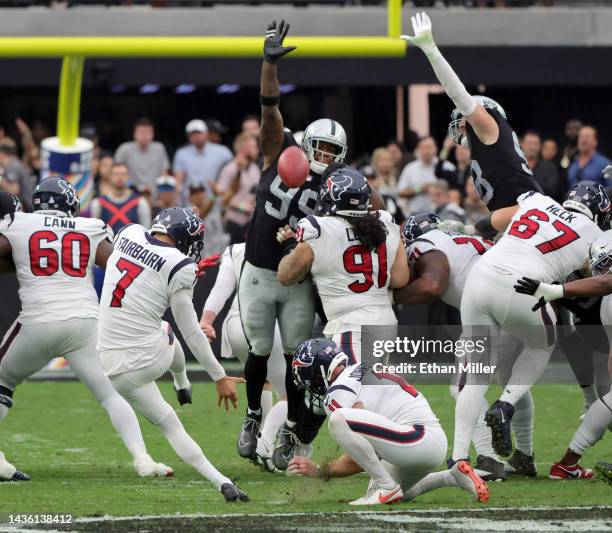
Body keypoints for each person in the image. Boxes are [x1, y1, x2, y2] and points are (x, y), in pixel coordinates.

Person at [236, 20, 350, 469]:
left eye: (329, 152)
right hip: (260, 271)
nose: (321, 158)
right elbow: (269, 110)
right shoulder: (278, 151)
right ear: (304, 144)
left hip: (299, 278)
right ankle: (251, 415)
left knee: (298, 360)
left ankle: (290, 432)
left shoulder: (340, 185)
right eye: (317, 148)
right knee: (259, 353)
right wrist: (268, 64)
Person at [0, 180, 168, 478]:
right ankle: (143, 459)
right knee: (111, 394)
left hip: (38, 321)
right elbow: (120, 266)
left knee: (2, 382)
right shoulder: (90, 226)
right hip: (85, 323)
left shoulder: (18, 223)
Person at [97, 207, 248, 502]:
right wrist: (219, 376)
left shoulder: (129, 232)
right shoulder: (180, 266)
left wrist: (180, 272)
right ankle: (182, 383)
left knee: (168, 423)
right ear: (183, 238)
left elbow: (140, 271)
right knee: (167, 328)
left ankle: (223, 482)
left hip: (110, 364)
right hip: (146, 359)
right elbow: (191, 331)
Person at [457, 182, 607, 465]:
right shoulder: (594, 233)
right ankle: (505, 404)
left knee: (476, 376)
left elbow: (493, 220)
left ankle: (459, 459)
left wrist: (468, 229)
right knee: (542, 345)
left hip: (479, 277)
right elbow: (598, 275)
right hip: (523, 287)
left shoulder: (536, 200)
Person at [396, 212, 535, 480]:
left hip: (491, 308)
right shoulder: (463, 240)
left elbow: (432, 285)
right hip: (523, 301)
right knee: (509, 382)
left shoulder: (424, 243)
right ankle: (525, 455)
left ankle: (488, 458)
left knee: (463, 385)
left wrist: (389, 295)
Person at [287, 338, 489, 505]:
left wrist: (320, 470)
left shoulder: (338, 390)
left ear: (318, 373)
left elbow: (358, 458)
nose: (310, 386)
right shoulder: (360, 367)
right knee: (403, 493)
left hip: (415, 441)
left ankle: (387, 487)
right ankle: (452, 476)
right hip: (429, 441)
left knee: (338, 420)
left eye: (308, 381)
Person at [402, 12, 541, 238]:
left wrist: (431, 50)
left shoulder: (490, 125)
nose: (461, 126)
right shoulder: (487, 146)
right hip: (521, 219)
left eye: (465, 119)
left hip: (531, 215)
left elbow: (457, 92)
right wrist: (469, 229)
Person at [277, 167, 409, 363]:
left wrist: (291, 246)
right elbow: (400, 278)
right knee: (373, 387)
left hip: (350, 326)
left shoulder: (319, 229)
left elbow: (285, 276)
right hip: (386, 322)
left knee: (350, 389)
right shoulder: (385, 222)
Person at [514, 231, 612, 479]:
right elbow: (571, 341)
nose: (603, 271)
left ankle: (567, 463)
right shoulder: (604, 298)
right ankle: (568, 463)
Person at [200, 242, 287, 472]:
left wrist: (207, 319)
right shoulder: (294, 242)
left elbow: (221, 288)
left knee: (263, 380)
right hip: (270, 324)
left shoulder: (235, 249)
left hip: (236, 326)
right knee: (292, 394)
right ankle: (265, 444)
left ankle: (257, 438)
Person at [215, 133, 260, 244]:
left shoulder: (255, 168)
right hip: (234, 222)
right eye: (254, 147)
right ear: (244, 149)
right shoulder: (230, 169)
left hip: (251, 222)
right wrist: (242, 207)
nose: (257, 150)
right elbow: (221, 198)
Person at [173, 119, 233, 201]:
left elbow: (232, 173)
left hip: (213, 200)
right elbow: (178, 179)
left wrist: (222, 189)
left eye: (199, 133)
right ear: (188, 136)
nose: (196, 136)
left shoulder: (223, 152)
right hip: (189, 202)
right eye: (193, 134)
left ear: (206, 133)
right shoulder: (181, 153)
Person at [89, 163, 151, 233]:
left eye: (123, 174)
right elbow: (94, 232)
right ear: (110, 176)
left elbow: (146, 232)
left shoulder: (140, 202)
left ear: (128, 176)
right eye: (116, 174)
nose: (120, 178)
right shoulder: (98, 203)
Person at [114, 118, 170, 194]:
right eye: (141, 132)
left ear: (153, 134)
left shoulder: (159, 148)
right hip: (130, 195)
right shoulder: (124, 149)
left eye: (148, 132)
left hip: (155, 195)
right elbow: (115, 173)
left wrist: (162, 194)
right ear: (134, 134)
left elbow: (164, 174)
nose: (145, 136)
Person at [397, 136, 439, 215]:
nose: (426, 151)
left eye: (429, 147)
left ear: (435, 148)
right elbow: (401, 192)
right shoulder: (410, 168)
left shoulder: (446, 167)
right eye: (423, 148)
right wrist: (419, 189)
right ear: (418, 150)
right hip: (415, 215)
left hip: (441, 215)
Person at [521, 131, 561, 201]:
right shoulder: (515, 166)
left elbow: (550, 190)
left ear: (540, 146)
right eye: (529, 143)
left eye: (535, 144)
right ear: (522, 144)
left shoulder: (549, 167)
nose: (532, 147)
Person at [0, 144, 36, 212]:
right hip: (26, 205)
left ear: (2, 154)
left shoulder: (13, 166)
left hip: (27, 208)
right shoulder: (13, 164)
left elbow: (14, 190)